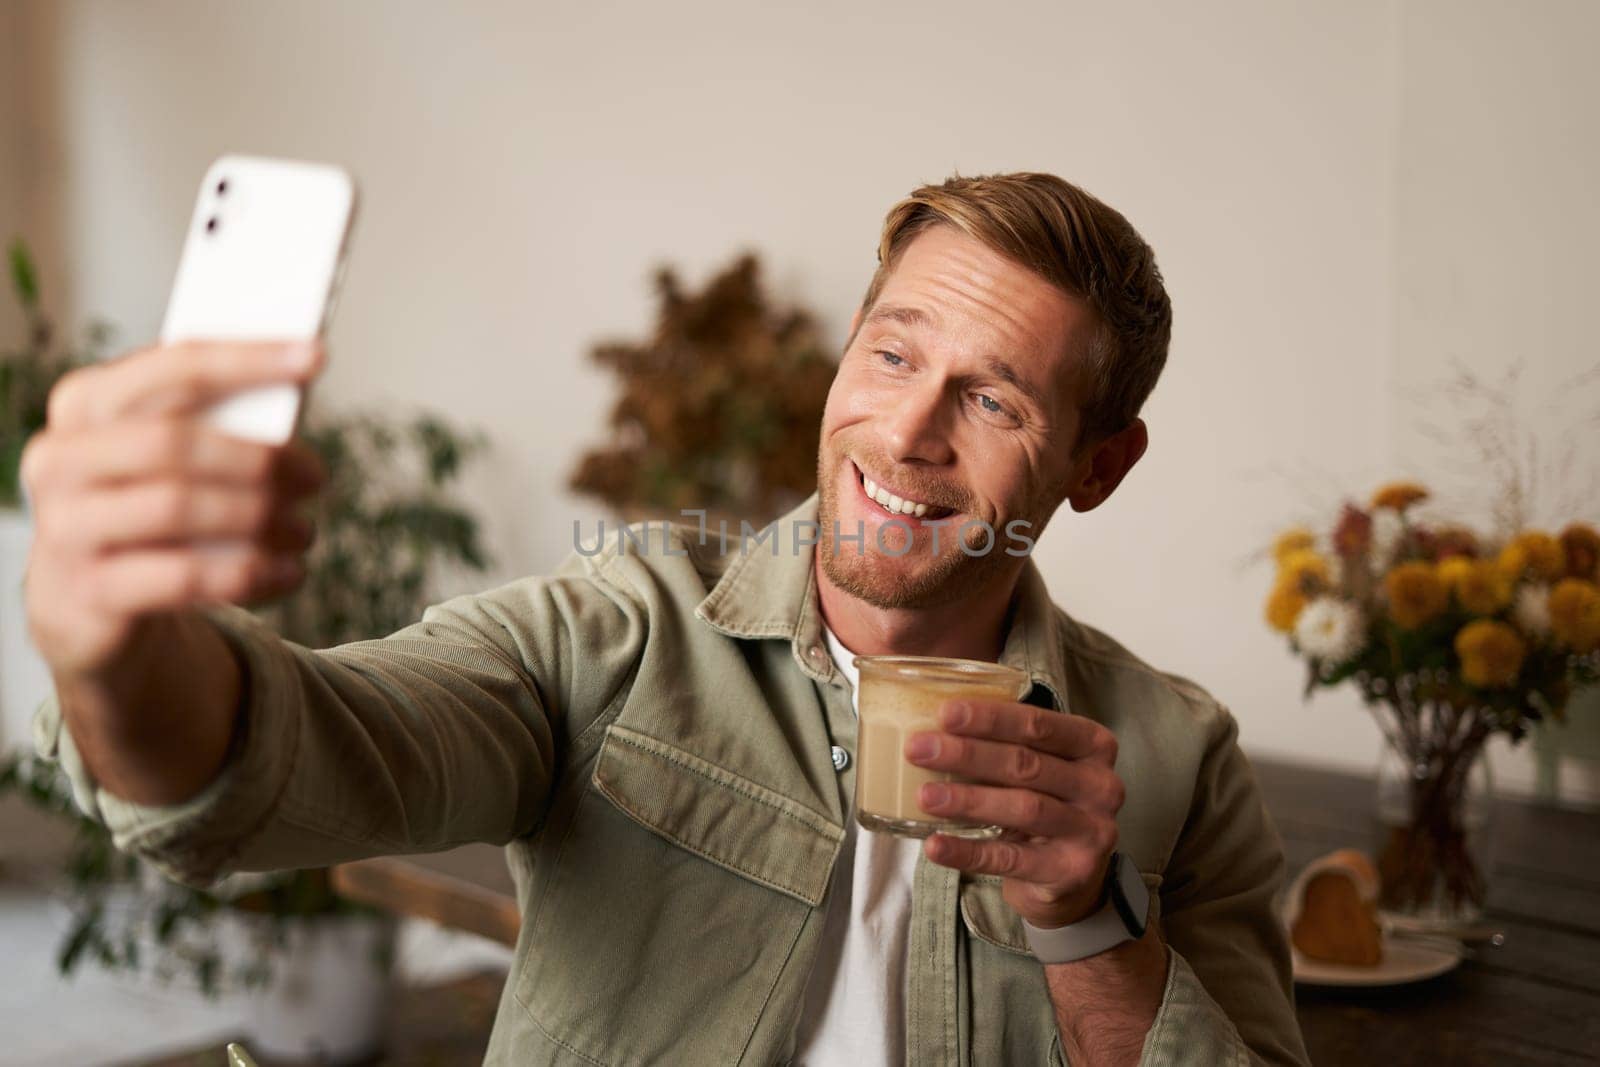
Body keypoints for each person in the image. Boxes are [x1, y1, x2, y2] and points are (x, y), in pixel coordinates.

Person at [24, 172, 1309, 1066]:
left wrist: (1088, 917)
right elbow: (275, 761)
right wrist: (120, 641)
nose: (907, 432)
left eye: (994, 402)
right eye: (895, 353)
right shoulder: (621, 631)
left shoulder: (1176, 758)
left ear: (1099, 462)